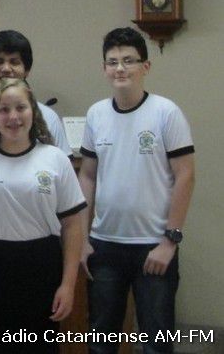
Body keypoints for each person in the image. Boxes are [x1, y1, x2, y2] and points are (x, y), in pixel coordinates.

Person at [0, 78, 86, 353]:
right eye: (4, 109)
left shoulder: (55, 159)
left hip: (41, 268)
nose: (13, 117)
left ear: (33, 111)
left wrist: (68, 285)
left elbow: (72, 225)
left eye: (20, 107)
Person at [78, 28, 195, 354]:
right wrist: (82, 240)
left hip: (154, 246)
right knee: (101, 343)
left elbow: (185, 176)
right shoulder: (96, 114)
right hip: (104, 247)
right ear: (104, 68)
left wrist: (170, 241)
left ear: (145, 67)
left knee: (156, 345)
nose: (120, 68)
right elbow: (87, 176)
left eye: (128, 60)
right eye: (113, 61)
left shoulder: (165, 113)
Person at [0, 30, 71, 157]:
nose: (6, 69)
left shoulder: (49, 118)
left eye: (14, 62)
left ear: (26, 70)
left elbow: (63, 165)